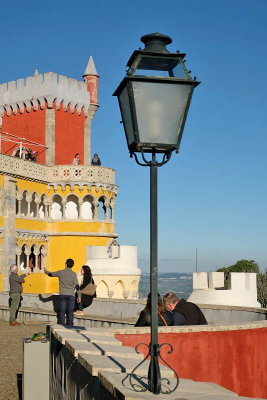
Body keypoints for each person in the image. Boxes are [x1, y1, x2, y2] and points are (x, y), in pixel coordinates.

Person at [44, 259, 81, 326]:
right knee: (70, 312)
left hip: (63, 295)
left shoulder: (60, 272)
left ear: (66, 264)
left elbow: (50, 274)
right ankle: (70, 326)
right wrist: (79, 296)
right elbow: (77, 286)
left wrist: (45, 271)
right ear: (72, 265)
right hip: (71, 295)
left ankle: (62, 325)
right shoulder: (74, 274)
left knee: (62, 311)